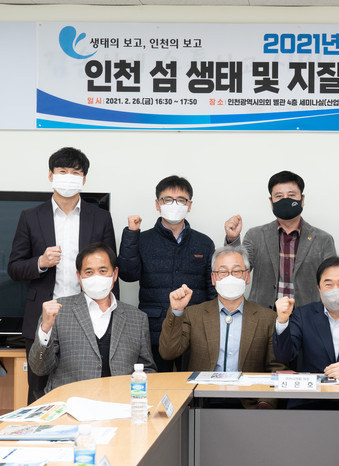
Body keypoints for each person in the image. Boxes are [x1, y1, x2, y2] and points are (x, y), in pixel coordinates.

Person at [8, 147, 117, 403]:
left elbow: (111, 269)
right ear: (51, 175)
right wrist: (41, 262)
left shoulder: (100, 218)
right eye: (62, 171)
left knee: (90, 388)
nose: (69, 177)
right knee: (38, 391)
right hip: (45, 315)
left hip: (90, 314)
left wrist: (111, 315)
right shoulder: (30, 217)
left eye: (75, 173)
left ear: (84, 179)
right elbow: (14, 267)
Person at [159, 245, 284, 408]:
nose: (229, 277)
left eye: (237, 271)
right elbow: (168, 352)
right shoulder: (194, 314)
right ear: (213, 278)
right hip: (202, 403)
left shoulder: (267, 318)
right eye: (223, 272)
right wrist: (176, 311)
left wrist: (265, 402)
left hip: (249, 405)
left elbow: (276, 367)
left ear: (247, 277)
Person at [117, 175, 216, 372]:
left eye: (181, 200)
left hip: (195, 326)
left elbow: (211, 287)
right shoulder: (143, 239)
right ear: (157, 204)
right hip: (154, 327)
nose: (174, 205)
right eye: (168, 199)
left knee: (193, 383)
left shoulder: (204, 243)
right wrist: (131, 234)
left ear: (189, 205)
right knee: (156, 383)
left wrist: (212, 324)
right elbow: (128, 274)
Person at [28, 243, 155, 395]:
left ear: (115, 274)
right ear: (79, 277)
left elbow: (147, 370)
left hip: (120, 403)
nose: (96, 277)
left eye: (103, 271)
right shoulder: (58, 312)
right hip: (69, 403)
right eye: (89, 272)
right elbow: (39, 369)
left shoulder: (137, 318)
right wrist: (45, 329)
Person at [223, 170, 336, 309]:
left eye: (291, 195)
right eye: (279, 196)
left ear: (302, 199)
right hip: (263, 315)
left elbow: (332, 282)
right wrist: (233, 239)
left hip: (307, 316)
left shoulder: (323, 240)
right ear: (271, 202)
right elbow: (236, 271)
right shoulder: (255, 235)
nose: (285, 200)